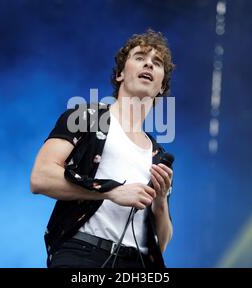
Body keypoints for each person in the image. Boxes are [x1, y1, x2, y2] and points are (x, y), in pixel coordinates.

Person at [30, 29, 175, 268]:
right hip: (82, 254)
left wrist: (160, 203)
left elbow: (162, 242)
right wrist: (111, 191)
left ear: (161, 87)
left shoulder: (158, 155)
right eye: (139, 57)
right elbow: (40, 177)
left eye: (157, 63)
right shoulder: (85, 117)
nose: (148, 63)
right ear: (119, 74)